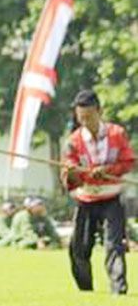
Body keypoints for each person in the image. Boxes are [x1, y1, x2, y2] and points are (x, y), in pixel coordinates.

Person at [61, 89, 135, 294]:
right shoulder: (73, 141)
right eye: (80, 117)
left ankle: (118, 290)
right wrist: (74, 172)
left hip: (111, 198)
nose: (85, 122)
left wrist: (108, 171)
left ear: (99, 111)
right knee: (79, 248)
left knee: (114, 245)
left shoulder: (117, 134)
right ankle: (86, 291)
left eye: (89, 116)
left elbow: (128, 162)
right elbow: (68, 169)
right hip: (86, 198)